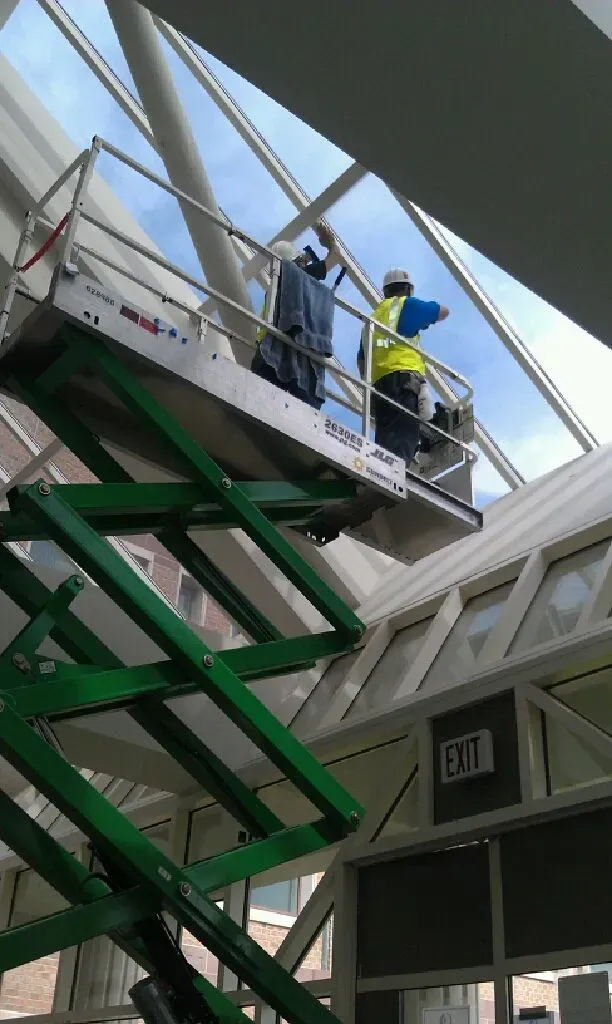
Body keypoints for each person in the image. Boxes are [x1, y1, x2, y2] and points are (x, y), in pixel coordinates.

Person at [357, 268, 449, 466]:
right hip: (404, 380)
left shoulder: (371, 320)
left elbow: (361, 362)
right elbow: (443, 312)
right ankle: (399, 481)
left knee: (385, 444)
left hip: (379, 387)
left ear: (385, 291)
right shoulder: (404, 305)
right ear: (408, 289)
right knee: (403, 441)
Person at [251, 222, 338, 407]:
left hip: (265, 354)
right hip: (283, 359)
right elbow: (333, 260)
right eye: (301, 262)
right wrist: (329, 243)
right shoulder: (294, 278)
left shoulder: (275, 290)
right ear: (292, 264)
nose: (304, 265)